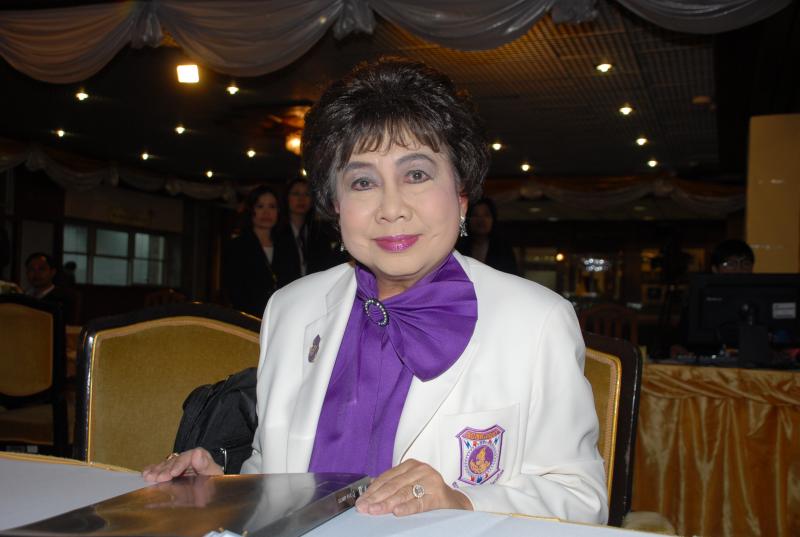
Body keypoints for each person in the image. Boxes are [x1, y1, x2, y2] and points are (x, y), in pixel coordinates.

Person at [144, 58, 607, 523]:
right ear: (336, 204)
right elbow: (275, 470)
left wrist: (463, 501)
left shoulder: (536, 321)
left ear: (461, 195)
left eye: (417, 175)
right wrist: (227, 485)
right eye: (363, 182)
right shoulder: (290, 309)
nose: (391, 208)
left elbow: (582, 502)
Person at [222, 185, 293, 317]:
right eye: (260, 206)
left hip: (281, 316)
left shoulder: (287, 245)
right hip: (248, 317)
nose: (266, 213)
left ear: (279, 211)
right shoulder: (237, 246)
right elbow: (234, 289)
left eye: (272, 206)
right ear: (251, 210)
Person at [275, 177, 343, 283]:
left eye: (307, 194)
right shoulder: (276, 231)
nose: (301, 199)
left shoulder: (320, 232)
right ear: (286, 198)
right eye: (296, 194)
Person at [457, 197, 519, 275]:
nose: (481, 220)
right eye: (475, 215)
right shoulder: (459, 248)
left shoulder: (503, 248)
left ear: (493, 219)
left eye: (486, 215)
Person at [24, 252, 79, 323]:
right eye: (31, 269)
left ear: (52, 272)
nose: (36, 273)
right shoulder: (23, 295)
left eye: (41, 269)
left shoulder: (64, 298)